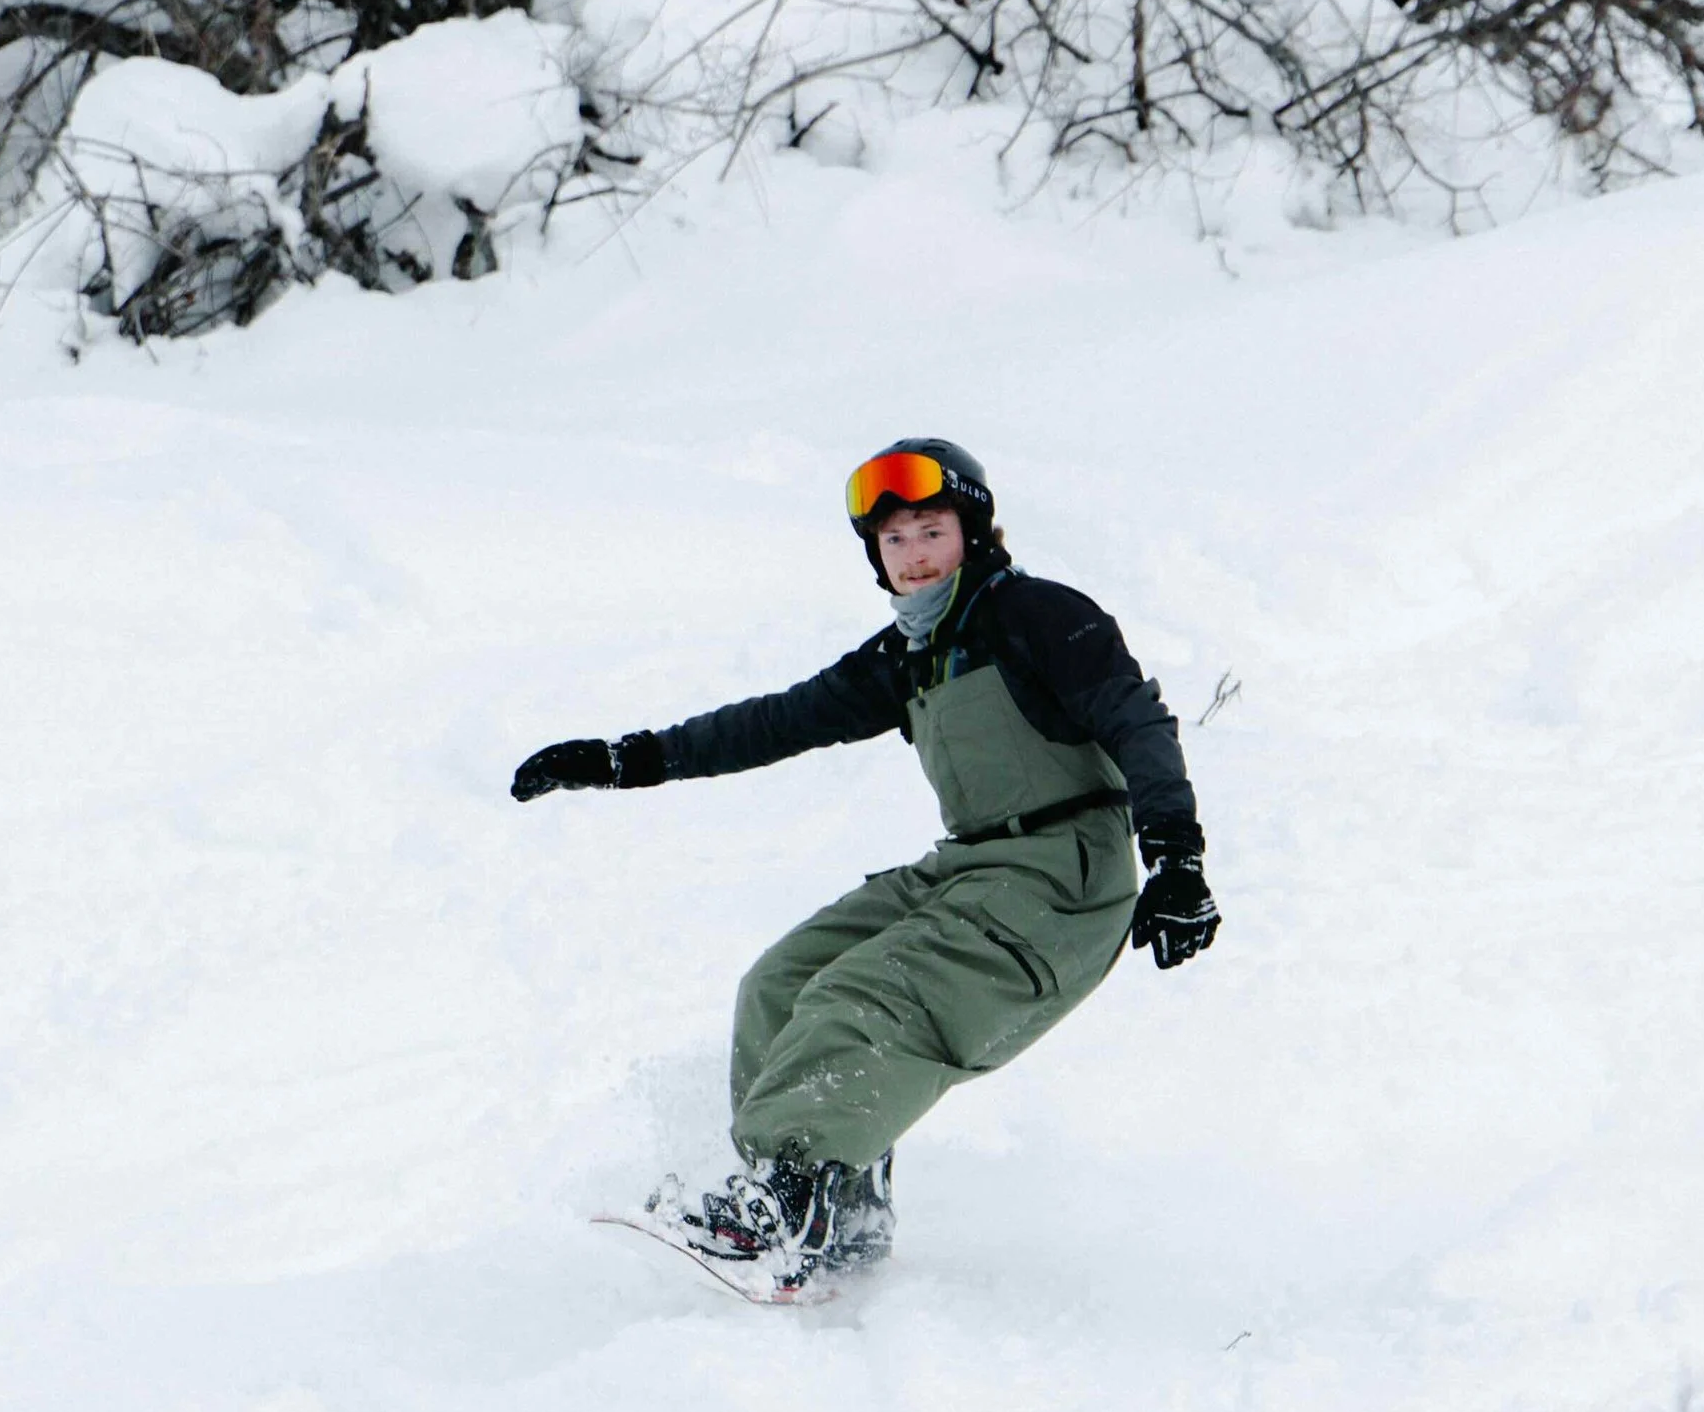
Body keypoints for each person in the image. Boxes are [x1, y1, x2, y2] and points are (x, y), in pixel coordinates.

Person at [511, 438, 1219, 1286]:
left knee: (869, 994)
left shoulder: (1041, 617)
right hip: (974, 866)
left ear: (974, 531)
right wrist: (626, 759)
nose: (914, 557)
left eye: (930, 532)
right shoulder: (910, 655)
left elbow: (1138, 722)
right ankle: (838, 1209)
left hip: (1064, 875)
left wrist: (1176, 857)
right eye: (895, 542)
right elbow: (776, 721)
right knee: (781, 981)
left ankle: (791, 1190)